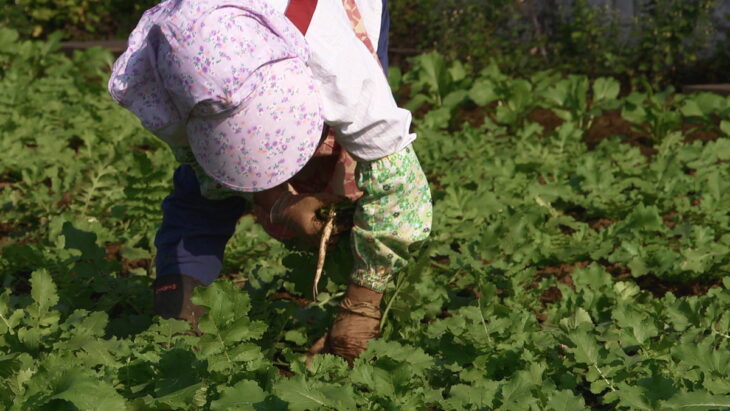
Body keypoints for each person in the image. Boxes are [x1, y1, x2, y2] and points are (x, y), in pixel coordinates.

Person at [108, 0, 431, 364]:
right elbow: (205, 161)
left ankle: (347, 300)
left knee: (354, 166)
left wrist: (362, 305)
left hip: (328, 20)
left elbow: (397, 185)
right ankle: (178, 304)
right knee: (204, 189)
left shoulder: (340, 68)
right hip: (211, 52)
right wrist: (280, 201)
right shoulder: (167, 60)